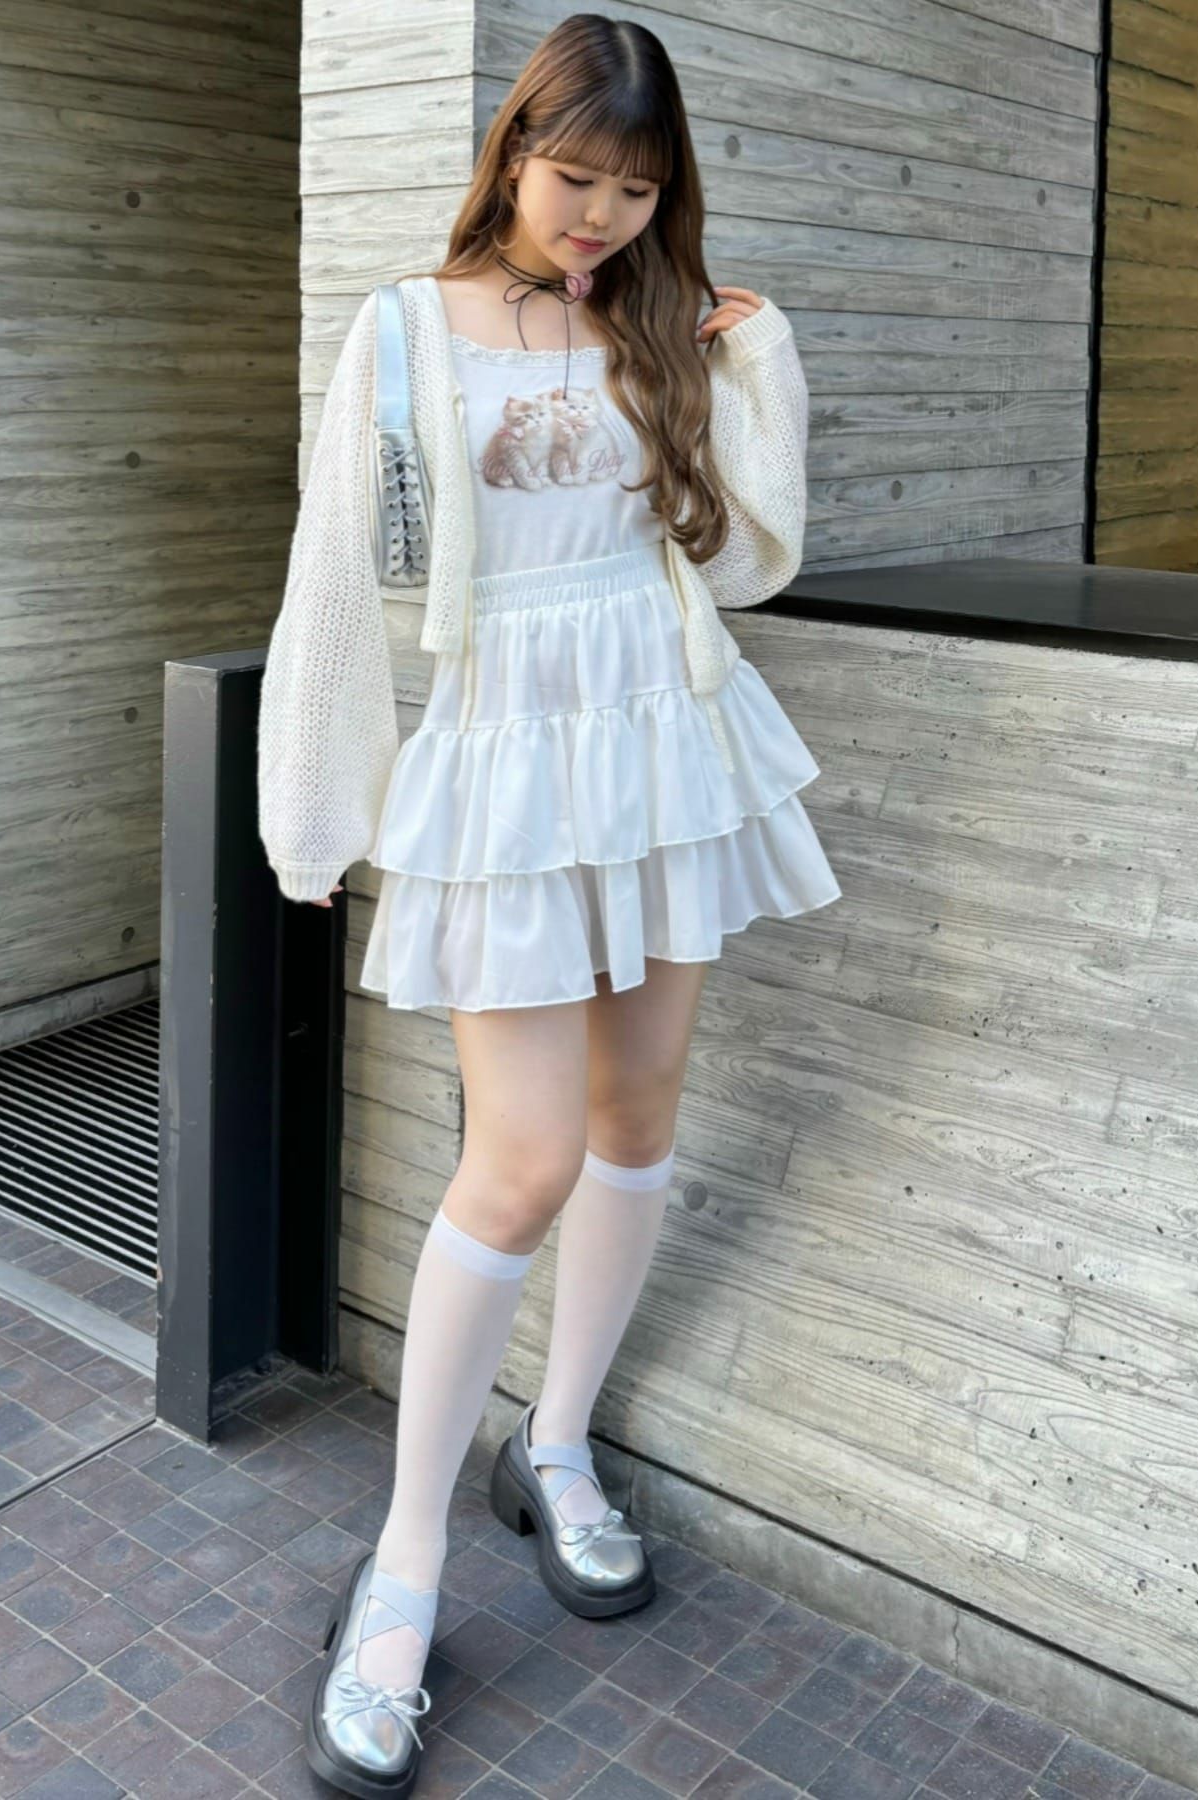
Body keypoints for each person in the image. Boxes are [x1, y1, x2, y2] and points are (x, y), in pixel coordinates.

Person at [256, 13, 842, 1794]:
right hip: (506, 758)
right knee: (517, 1162)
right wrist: (319, 808)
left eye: (637, 191)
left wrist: (754, 363)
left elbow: (745, 561)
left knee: (636, 1121)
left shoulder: (658, 327)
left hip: (662, 740)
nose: (600, 215)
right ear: (514, 150)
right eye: (578, 176)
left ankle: (559, 1445)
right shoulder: (403, 328)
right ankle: (404, 1569)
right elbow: (340, 577)